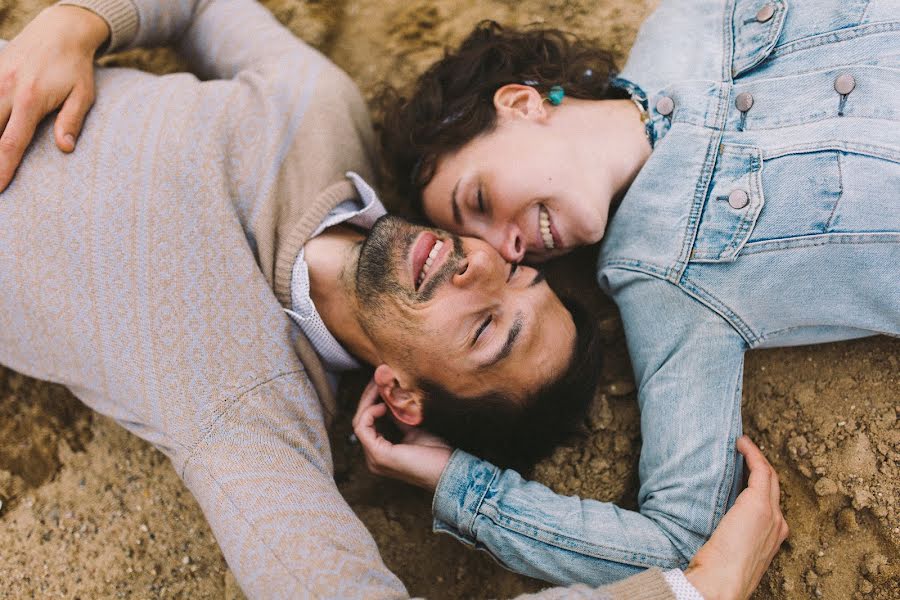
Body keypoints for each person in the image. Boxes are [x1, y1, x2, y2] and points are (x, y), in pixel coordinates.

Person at [0, 2, 787, 599]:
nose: (477, 267)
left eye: (484, 332)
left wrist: (690, 592)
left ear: (402, 397)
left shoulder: (247, 414)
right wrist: (80, 23)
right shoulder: (324, 115)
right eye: (518, 272)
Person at [367, 0, 900, 592]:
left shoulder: (685, 20)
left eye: (480, 201)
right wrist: (459, 485)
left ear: (521, 104)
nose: (505, 251)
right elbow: (678, 540)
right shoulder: (661, 283)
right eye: (482, 242)